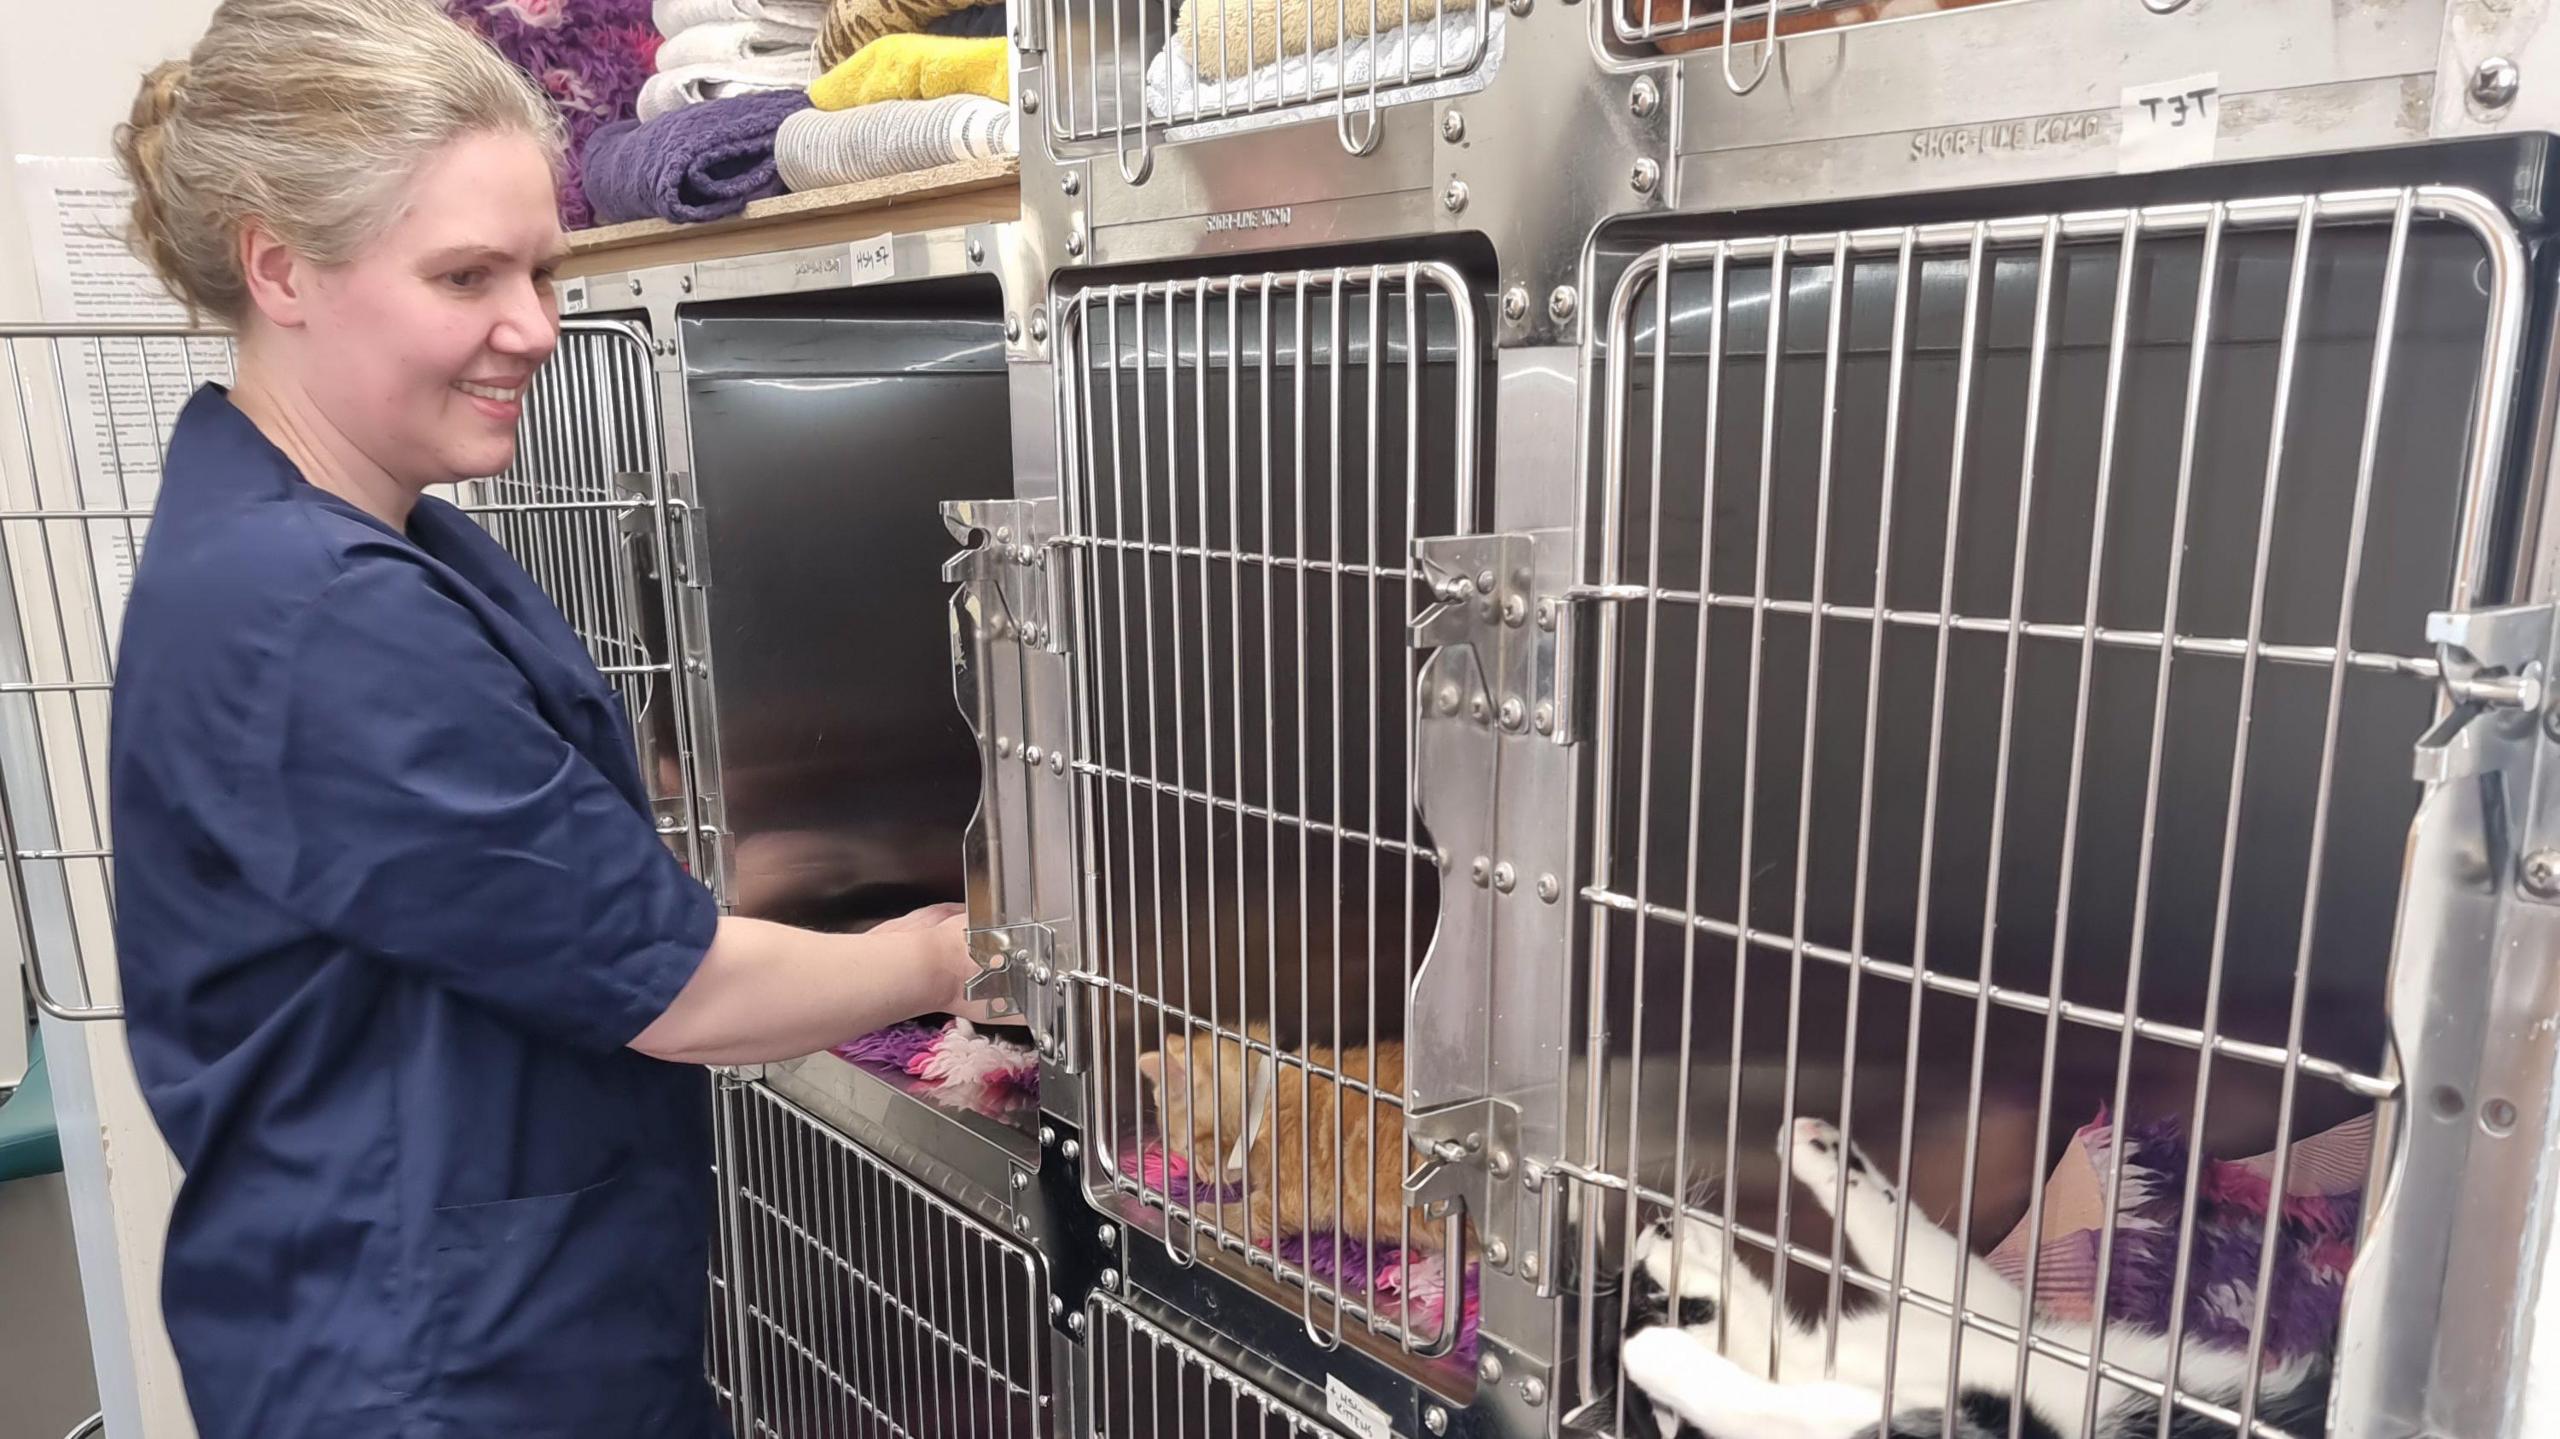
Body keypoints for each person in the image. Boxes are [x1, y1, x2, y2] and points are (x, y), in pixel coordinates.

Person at [104, 3, 990, 1435]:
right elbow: (680, 995)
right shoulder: (312, 606)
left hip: (450, 1310)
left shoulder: (346, 534)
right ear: (279, 265)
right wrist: (963, 954)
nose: (535, 326)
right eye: (466, 276)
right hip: (434, 1371)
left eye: (542, 269)